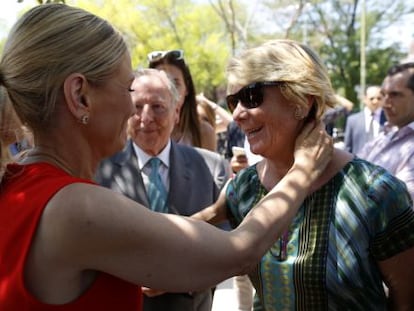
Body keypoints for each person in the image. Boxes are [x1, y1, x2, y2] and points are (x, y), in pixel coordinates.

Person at [0, 4, 333, 310]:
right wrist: (303, 171)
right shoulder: (75, 207)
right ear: (80, 97)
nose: (134, 109)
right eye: (128, 88)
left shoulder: (18, 185)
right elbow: (239, 252)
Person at [192, 39, 414, 310]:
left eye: (250, 97)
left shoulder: (375, 191)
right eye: (232, 102)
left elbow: (407, 298)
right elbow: (184, 238)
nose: (237, 114)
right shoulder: (243, 188)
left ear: (301, 100)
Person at [95, 68, 230, 311]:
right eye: (137, 107)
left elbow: (227, 247)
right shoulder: (97, 170)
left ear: (176, 112)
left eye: (157, 107)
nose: (146, 118)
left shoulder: (210, 167)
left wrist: (177, 275)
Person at [359, 62, 414, 201]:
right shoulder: (385, 134)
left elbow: (396, 202)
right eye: (384, 94)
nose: (385, 103)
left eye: (395, 95)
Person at [148, 50, 216, 151]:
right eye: (161, 83)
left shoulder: (203, 132)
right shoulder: (141, 131)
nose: (169, 91)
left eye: (175, 83)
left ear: (186, 88)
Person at [344, 85, 386, 155]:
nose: (375, 101)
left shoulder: (389, 120)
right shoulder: (353, 120)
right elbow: (347, 148)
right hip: (359, 163)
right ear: (365, 99)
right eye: (371, 98)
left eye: (379, 98)